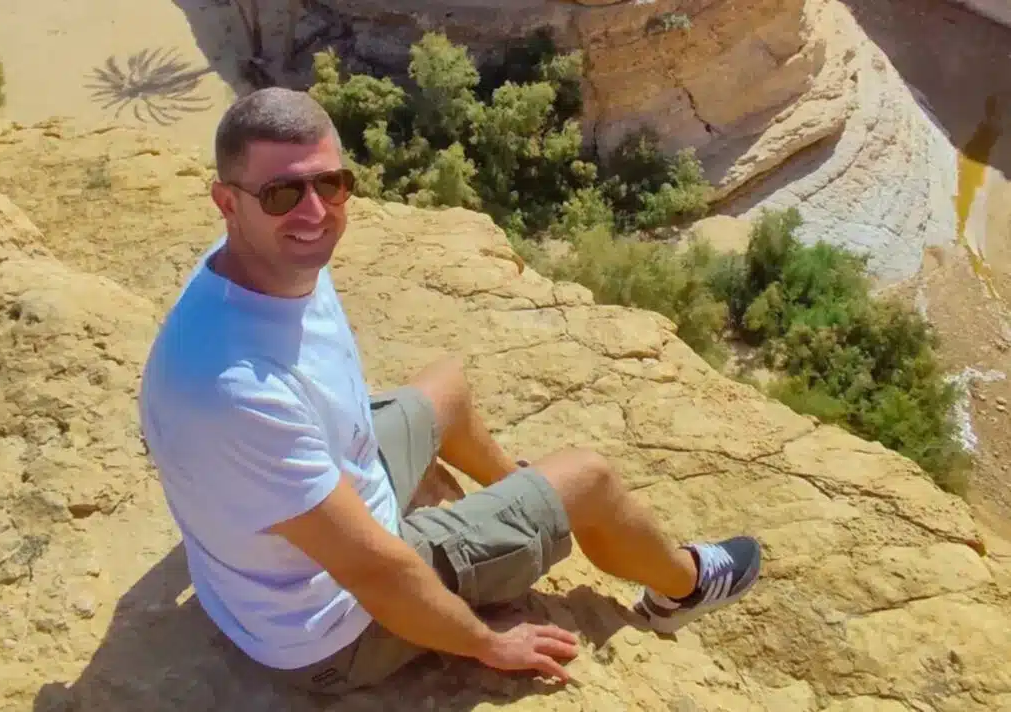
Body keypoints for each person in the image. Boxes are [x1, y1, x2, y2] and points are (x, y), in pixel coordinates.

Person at [138, 87, 763, 695]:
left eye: (330, 184)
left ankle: (522, 500)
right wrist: (489, 645)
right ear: (227, 202)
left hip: (315, 532)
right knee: (589, 478)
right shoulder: (237, 389)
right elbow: (373, 570)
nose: (315, 212)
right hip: (334, 629)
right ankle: (683, 587)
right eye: (282, 193)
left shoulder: (254, 266)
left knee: (447, 387)